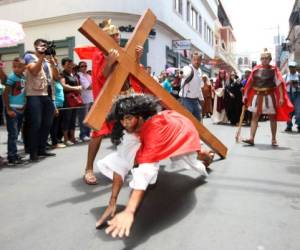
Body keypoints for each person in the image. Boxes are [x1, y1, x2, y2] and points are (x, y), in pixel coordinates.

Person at [95, 94, 212, 237]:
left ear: (140, 116)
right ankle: (202, 153)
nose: (124, 123)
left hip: (177, 131)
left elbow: (145, 171)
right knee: (129, 155)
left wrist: (129, 211)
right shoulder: (129, 130)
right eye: (122, 119)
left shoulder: (154, 129)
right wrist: (112, 202)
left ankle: (207, 155)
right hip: (150, 135)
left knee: (193, 157)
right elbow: (120, 164)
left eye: (129, 118)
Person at [83, 19, 144, 185]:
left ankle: (134, 164)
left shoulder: (124, 50)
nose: (116, 36)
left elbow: (134, 72)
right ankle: (88, 169)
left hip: (126, 97)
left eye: (117, 33)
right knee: (98, 132)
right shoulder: (99, 53)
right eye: (112, 34)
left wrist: (137, 57)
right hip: (108, 98)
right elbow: (101, 77)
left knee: (134, 131)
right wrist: (109, 62)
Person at [242, 48, 293, 146]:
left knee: (272, 118)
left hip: (269, 96)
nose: (264, 60)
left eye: (266, 58)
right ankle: (251, 138)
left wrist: (282, 97)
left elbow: (279, 84)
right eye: (262, 58)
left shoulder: (273, 70)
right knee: (254, 117)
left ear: (270, 59)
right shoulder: (256, 69)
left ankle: (273, 139)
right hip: (257, 96)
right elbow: (250, 83)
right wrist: (245, 94)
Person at [24, 39, 59, 161]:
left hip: (46, 95)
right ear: (35, 46)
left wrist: (53, 62)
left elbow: (56, 77)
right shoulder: (29, 56)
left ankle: (42, 149)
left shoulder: (47, 60)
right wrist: (41, 57)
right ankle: (33, 152)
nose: (45, 48)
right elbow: (34, 71)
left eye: (46, 46)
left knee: (47, 123)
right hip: (33, 95)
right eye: (42, 46)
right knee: (36, 124)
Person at [2, 58, 26, 165]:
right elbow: (5, 93)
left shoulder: (23, 77)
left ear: (24, 67)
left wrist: (24, 105)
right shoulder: (12, 77)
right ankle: (11, 156)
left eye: (19, 66)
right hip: (12, 109)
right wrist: (8, 109)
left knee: (16, 134)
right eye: (14, 66)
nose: (16, 68)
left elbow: (23, 93)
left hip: (21, 108)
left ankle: (14, 154)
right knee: (13, 133)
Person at [179, 51, 204, 121]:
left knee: (198, 121)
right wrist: (181, 74)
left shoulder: (200, 71)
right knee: (187, 121)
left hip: (195, 101)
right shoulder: (188, 68)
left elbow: (199, 87)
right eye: (194, 60)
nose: (196, 62)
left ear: (201, 61)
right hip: (186, 100)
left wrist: (201, 98)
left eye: (198, 60)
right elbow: (183, 73)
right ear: (191, 60)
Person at [77, 61, 93, 141]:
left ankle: (88, 133)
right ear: (79, 68)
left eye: (85, 65)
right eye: (82, 66)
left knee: (89, 118)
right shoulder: (79, 75)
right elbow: (88, 87)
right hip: (84, 99)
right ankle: (83, 134)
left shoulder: (88, 75)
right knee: (83, 118)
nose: (84, 67)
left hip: (91, 98)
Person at [284, 61, 300, 132]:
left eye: (293, 67)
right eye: (290, 67)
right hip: (288, 94)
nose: (291, 68)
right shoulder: (285, 76)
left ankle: (299, 125)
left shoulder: (299, 75)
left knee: (298, 111)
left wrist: (297, 86)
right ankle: (289, 125)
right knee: (288, 111)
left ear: (295, 67)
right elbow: (281, 86)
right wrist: (287, 83)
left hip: (298, 94)